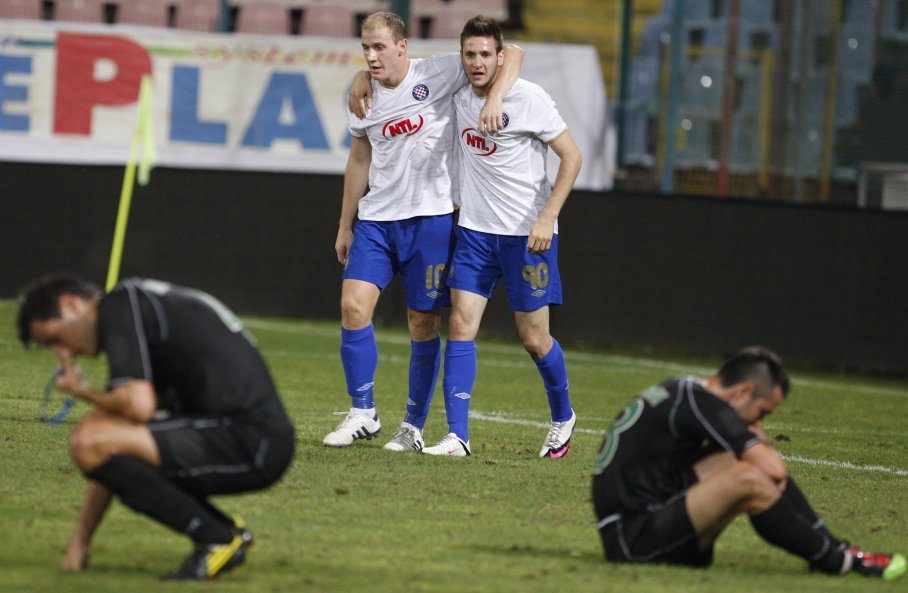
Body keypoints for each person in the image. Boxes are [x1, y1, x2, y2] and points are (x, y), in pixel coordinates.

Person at [325, 11, 523, 452]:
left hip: (431, 219)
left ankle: (413, 426)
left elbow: (515, 54)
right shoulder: (361, 96)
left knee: (422, 322)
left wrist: (495, 99)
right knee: (353, 307)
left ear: (402, 48)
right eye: (365, 49)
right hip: (376, 220)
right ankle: (363, 413)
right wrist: (345, 223)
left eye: (379, 48)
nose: (371, 57)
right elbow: (359, 159)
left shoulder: (438, 72)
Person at [17, 275, 294, 580]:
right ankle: (222, 532)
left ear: (69, 303)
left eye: (55, 339)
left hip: (250, 439)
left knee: (90, 438)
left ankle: (217, 539)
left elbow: (136, 407)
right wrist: (79, 542)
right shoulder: (140, 304)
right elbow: (113, 444)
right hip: (253, 436)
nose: (64, 353)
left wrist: (81, 390)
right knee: (99, 433)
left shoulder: (119, 305)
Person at [591, 346, 905, 581]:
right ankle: (838, 561)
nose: (759, 420)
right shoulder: (700, 402)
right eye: (763, 411)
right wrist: (754, 433)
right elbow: (774, 469)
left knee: (737, 461)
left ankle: (834, 548)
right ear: (742, 392)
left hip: (644, 518)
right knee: (752, 478)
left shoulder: (685, 390)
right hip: (632, 542)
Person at [421, 16, 583, 458]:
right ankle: (457, 437)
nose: (477, 62)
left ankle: (563, 416)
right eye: (470, 54)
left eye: (486, 54)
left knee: (534, 338)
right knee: (460, 325)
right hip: (474, 232)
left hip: (525, 236)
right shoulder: (456, 96)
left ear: (499, 56)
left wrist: (548, 216)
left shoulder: (527, 98)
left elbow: (572, 157)